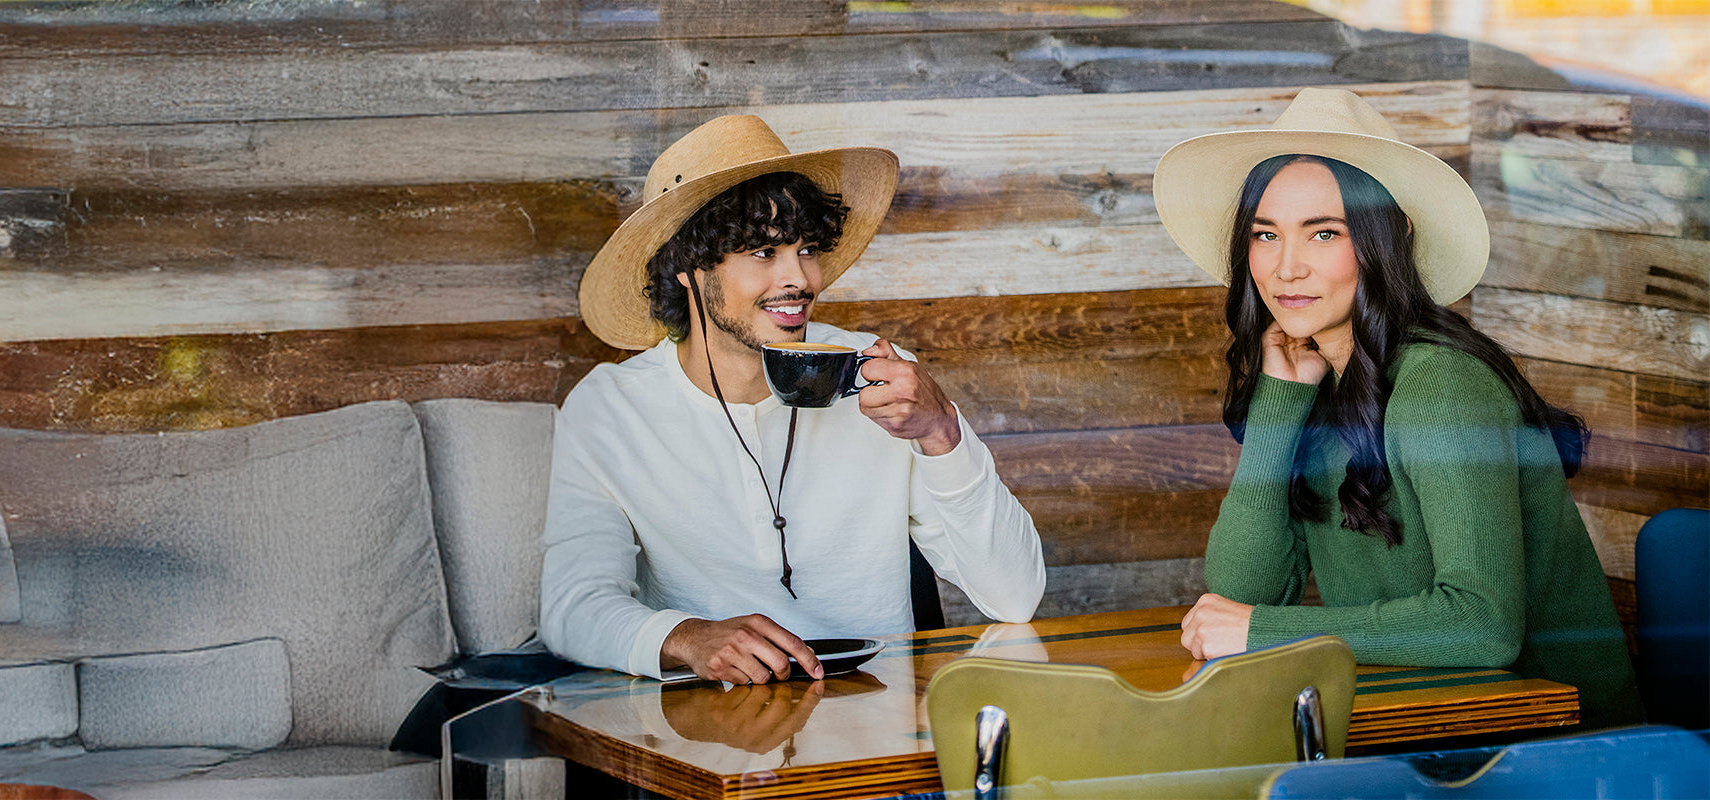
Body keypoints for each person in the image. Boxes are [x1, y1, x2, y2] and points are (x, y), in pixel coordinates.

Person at [1154, 88, 1641, 727]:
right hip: (1416, 726)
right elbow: (1242, 594)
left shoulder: (1441, 383)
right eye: (1265, 235)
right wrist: (1280, 405)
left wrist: (1271, 632)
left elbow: (1482, 626)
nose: (1285, 268)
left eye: (1324, 233)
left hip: (1558, 748)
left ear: (1392, 237)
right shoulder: (1318, 383)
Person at [540, 115, 1045, 685]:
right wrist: (683, 637)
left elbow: (1016, 596)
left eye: (807, 249)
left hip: (881, 725)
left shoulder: (878, 376)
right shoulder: (611, 409)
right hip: (709, 736)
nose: (799, 279)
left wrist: (941, 434)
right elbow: (571, 608)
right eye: (761, 253)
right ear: (686, 266)